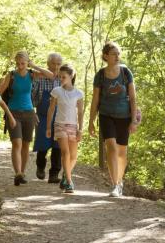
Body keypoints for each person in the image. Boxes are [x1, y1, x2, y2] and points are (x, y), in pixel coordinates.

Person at [0, 51, 55, 186]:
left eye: (23, 63)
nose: (20, 66)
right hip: (13, 113)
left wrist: (34, 66)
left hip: (29, 113)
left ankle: (22, 173)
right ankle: (17, 173)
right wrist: (0, 85)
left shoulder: (31, 74)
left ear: (27, 62)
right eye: (18, 63)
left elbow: (52, 76)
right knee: (17, 143)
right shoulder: (11, 75)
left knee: (26, 145)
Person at [88, 42, 139, 197]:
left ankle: (120, 181)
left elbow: (133, 97)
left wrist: (134, 120)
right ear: (105, 56)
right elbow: (95, 99)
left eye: (118, 53)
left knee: (122, 152)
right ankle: (115, 184)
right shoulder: (101, 75)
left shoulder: (125, 72)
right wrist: (91, 121)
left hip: (124, 116)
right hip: (106, 115)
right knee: (111, 146)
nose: (117, 56)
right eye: (113, 54)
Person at [46, 64, 83, 194]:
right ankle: (69, 181)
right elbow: (51, 109)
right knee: (65, 153)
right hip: (59, 124)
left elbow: (81, 112)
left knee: (73, 156)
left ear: (71, 76)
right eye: (60, 77)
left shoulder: (78, 93)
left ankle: (65, 175)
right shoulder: (56, 91)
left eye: (64, 77)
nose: (61, 79)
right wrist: (48, 127)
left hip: (73, 126)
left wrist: (80, 129)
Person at [32, 53, 63, 183]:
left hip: (60, 117)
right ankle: (40, 167)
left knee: (58, 146)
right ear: (48, 63)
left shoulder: (63, 79)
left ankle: (54, 174)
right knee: (42, 144)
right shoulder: (40, 78)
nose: (56, 67)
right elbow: (33, 97)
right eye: (53, 63)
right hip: (43, 116)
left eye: (58, 64)